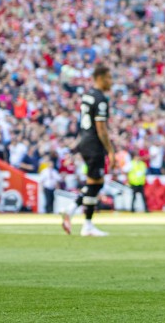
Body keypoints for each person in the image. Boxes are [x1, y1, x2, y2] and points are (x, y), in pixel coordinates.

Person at [62, 64, 116, 237]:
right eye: (109, 78)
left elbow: (83, 123)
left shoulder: (88, 96)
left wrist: (77, 144)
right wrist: (110, 150)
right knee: (95, 183)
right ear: (100, 78)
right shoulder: (100, 99)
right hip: (94, 144)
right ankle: (85, 224)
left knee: (95, 183)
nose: (111, 81)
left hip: (85, 142)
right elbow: (101, 128)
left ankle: (72, 211)